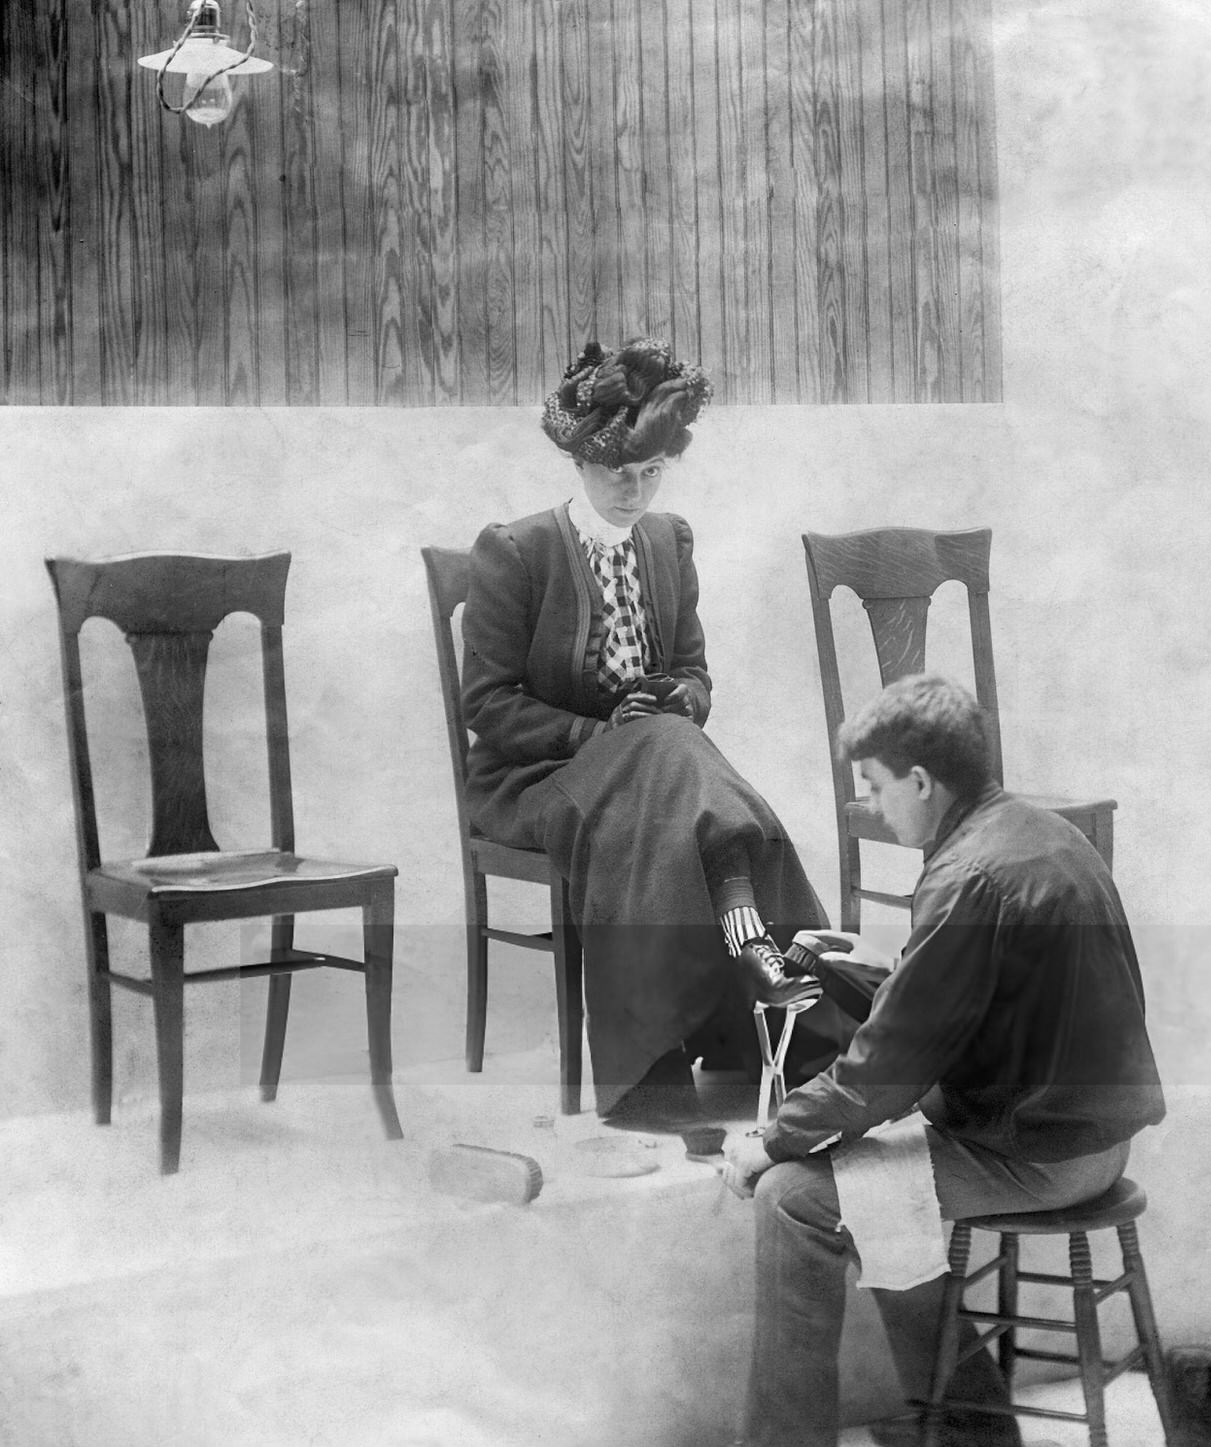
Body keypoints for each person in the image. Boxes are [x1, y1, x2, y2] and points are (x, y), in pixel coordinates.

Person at [721, 673, 1166, 1447]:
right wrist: (883, 972)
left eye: (879, 786)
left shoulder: (965, 876)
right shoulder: (1038, 832)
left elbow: (881, 1077)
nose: (875, 807)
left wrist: (766, 1139)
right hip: (1091, 1136)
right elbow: (982, 1005)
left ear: (923, 780)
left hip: (1044, 1154)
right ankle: (972, 1427)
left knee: (794, 1194)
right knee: (880, 1179)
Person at [459, 338, 825, 1126]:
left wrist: (677, 701)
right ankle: (756, 950)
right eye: (617, 470)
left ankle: (706, 1024)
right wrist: (603, 730)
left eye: (651, 471)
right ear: (580, 462)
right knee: (667, 751)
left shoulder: (668, 542)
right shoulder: (516, 551)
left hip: (653, 780)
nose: (634, 488)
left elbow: (695, 672)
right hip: (535, 779)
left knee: (670, 743)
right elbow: (487, 705)